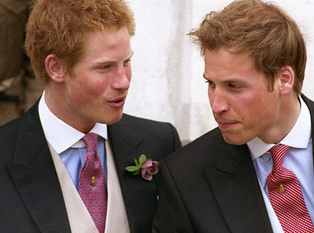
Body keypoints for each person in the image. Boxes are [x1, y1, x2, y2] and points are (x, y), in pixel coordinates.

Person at [152, 0, 314, 232]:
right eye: (211, 84)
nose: (216, 104)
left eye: (234, 86)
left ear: (284, 79)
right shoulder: (185, 176)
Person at [0, 0, 181, 232]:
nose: (124, 82)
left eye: (126, 62)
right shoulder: (5, 154)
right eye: (104, 67)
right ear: (56, 68)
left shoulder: (160, 142)